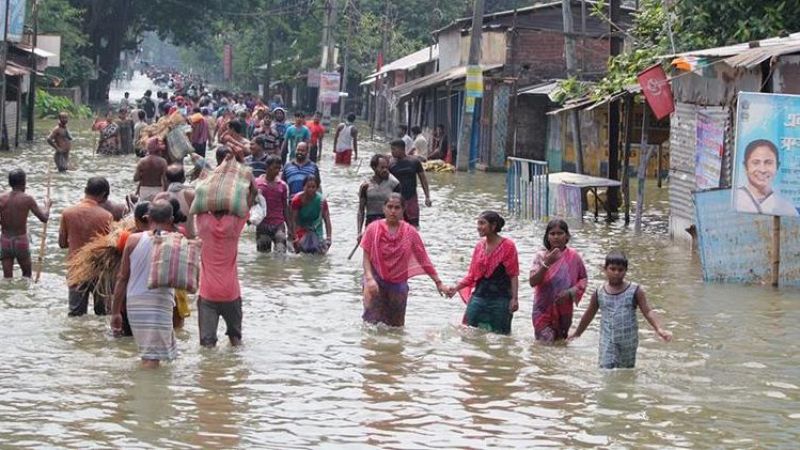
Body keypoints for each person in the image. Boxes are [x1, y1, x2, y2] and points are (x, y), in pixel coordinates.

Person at [194, 153, 256, 347]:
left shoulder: (203, 224)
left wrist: (208, 175)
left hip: (207, 293)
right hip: (231, 293)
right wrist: (244, 169)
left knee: (207, 346)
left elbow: (199, 195)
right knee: (236, 341)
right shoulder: (234, 225)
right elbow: (252, 195)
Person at [569, 251, 672, 368]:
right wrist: (577, 333)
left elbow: (648, 311)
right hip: (607, 340)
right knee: (606, 368)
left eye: (620, 270)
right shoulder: (599, 292)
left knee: (625, 371)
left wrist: (659, 329)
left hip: (628, 341)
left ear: (626, 271)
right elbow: (589, 314)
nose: (616, 273)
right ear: (605, 269)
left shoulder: (635, 290)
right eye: (612, 269)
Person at [360, 193, 445, 327]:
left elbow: (423, 260)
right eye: (390, 207)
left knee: (396, 327)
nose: (393, 211)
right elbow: (366, 258)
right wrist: (369, 279)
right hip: (375, 279)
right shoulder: (373, 229)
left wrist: (438, 283)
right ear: (384, 208)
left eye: (397, 208)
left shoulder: (410, 232)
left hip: (398, 283)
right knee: (370, 323)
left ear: (403, 210)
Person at [111, 200, 177, 368]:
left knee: (147, 355)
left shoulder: (132, 240)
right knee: (153, 359)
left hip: (135, 303)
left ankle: (140, 383)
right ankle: (146, 385)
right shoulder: (176, 241)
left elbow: (122, 277)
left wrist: (115, 312)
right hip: (160, 303)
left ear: (148, 218)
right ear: (171, 219)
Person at [445, 212, 519, 335]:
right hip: (479, 297)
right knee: (467, 332)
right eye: (478, 223)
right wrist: (455, 288)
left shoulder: (508, 246)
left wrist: (514, 299)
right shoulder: (479, 246)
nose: (478, 227)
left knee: (501, 337)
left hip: (501, 299)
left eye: (482, 223)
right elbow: (472, 275)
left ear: (493, 226)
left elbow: (513, 274)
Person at [60, 177, 115, 316]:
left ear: (86, 190)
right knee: (103, 314)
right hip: (99, 270)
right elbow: (110, 246)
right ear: (103, 195)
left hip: (76, 270)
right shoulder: (106, 216)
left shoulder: (68, 213)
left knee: (76, 315)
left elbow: (62, 244)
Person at [529, 219, 588, 343]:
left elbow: (583, 279)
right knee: (544, 344)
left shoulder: (574, 257)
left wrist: (569, 293)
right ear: (547, 237)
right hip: (542, 309)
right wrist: (546, 263)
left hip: (564, 309)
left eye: (560, 233)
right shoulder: (541, 256)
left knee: (560, 344)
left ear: (567, 236)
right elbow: (533, 282)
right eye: (552, 233)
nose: (556, 237)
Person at [0, 170, 51, 278]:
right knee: (27, 276)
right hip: (21, 241)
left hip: (5, 242)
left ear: (10, 183)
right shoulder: (27, 199)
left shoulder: (2, 198)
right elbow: (44, 218)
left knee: (7, 278)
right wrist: (47, 205)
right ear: (24, 182)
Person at [733, 139, 798, 216]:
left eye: (768, 163)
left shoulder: (787, 209)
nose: (762, 170)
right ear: (745, 166)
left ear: (777, 166)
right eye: (756, 163)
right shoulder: (734, 198)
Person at [388, 139, 432, 228]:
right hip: (397, 200)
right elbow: (387, 182)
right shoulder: (390, 164)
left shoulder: (414, 162)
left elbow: (423, 180)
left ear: (401, 149)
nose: (392, 152)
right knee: (397, 226)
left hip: (411, 198)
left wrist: (427, 197)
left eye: (394, 149)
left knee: (414, 225)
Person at [255, 155, 292, 253]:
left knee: (281, 253)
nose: (277, 171)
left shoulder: (282, 186)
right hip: (263, 224)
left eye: (279, 168)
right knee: (263, 256)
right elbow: (251, 204)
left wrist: (290, 227)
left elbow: (285, 207)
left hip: (278, 224)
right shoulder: (257, 183)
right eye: (275, 168)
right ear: (267, 167)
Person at [357, 154, 400, 238]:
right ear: (374, 168)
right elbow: (361, 210)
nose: (385, 170)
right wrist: (359, 232)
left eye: (386, 167)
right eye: (382, 168)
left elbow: (400, 208)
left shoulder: (394, 184)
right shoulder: (365, 186)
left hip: (389, 223)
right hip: (371, 223)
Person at [291, 176, 332, 254]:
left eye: (313, 187)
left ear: (317, 188)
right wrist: (294, 237)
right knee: (301, 251)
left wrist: (329, 238)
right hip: (301, 228)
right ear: (303, 187)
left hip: (316, 228)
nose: (311, 189)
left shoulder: (321, 201)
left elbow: (327, 219)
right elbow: (293, 220)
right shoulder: (297, 200)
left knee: (319, 252)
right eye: (308, 187)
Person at [164, 164, 196, 238]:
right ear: (183, 179)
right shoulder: (190, 194)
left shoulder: (162, 197)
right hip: (189, 237)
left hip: (168, 238)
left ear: (166, 180)